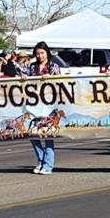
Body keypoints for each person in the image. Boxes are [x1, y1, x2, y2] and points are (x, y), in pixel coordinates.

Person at [29, 41, 62, 174]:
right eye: (37, 53)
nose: (40, 56)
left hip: (49, 104)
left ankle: (48, 165)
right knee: (32, 133)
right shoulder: (32, 67)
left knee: (48, 134)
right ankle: (41, 159)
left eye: (42, 53)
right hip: (35, 104)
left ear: (47, 53)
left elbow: (60, 83)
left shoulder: (54, 67)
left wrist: (51, 78)